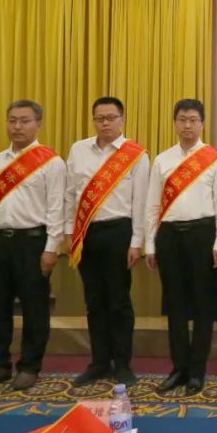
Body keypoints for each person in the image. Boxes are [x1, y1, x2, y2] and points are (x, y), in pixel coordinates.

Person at [0, 100, 66, 393]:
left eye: (24, 121)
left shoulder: (51, 162)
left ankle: (29, 367)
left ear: (38, 124)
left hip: (32, 243)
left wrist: (51, 248)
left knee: (34, 308)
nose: (17, 126)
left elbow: (56, 209)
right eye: (12, 120)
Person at [144, 99, 217, 396]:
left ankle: (197, 370)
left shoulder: (215, 160)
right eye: (182, 120)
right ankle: (178, 368)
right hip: (169, 236)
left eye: (193, 120)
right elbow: (152, 204)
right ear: (175, 123)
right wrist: (150, 243)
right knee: (176, 305)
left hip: (202, 235)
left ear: (202, 123)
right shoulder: (162, 160)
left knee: (203, 306)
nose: (188, 125)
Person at [64, 96, 150, 387]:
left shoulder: (135, 155)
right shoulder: (78, 150)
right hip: (86, 233)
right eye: (99, 118)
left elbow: (141, 202)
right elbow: (70, 195)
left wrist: (136, 242)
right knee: (94, 301)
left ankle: (122, 364)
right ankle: (99, 362)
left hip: (118, 233)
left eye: (111, 118)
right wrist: (69, 231)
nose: (105, 123)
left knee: (119, 301)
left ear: (122, 120)